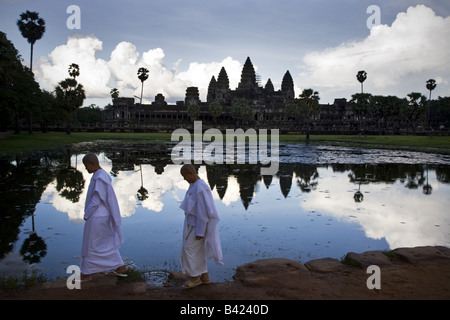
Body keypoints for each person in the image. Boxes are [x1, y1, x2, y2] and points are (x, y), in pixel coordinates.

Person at [80, 153, 127, 281]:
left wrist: (86, 215)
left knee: (91, 245)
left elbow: (96, 200)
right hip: (102, 216)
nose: (86, 169)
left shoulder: (99, 177)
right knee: (105, 243)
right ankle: (120, 267)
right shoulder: (101, 175)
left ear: (93, 164)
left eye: (86, 166)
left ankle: (86, 273)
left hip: (97, 217)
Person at [179, 164, 223, 289]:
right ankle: (204, 276)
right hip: (192, 224)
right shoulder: (194, 186)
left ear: (191, 173)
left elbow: (204, 212)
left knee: (189, 249)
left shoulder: (201, 188)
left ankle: (195, 278)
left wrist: (200, 231)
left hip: (199, 226)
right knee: (196, 250)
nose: (184, 179)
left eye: (185, 176)